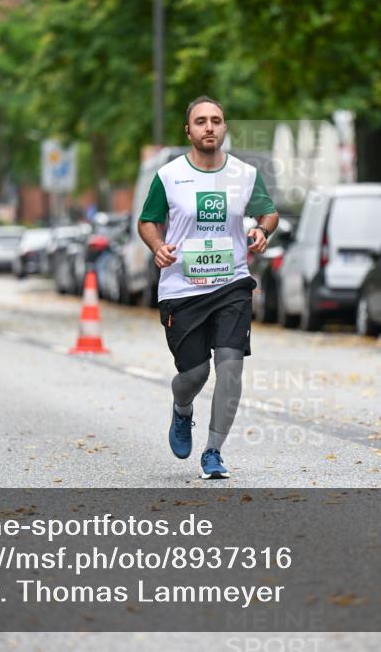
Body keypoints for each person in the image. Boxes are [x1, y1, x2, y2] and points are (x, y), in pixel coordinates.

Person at [138, 96, 278, 479]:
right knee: (194, 375)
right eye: (201, 121)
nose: (209, 127)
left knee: (230, 369)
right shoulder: (169, 176)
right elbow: (147, 221)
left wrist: (261, 230)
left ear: (224, 127)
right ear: (189, 130)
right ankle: (182, 409)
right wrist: (157, 247)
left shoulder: (244, 175)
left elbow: (269, 210)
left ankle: (213, 451)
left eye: (216, 120)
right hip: (182, 289)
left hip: (231, 283)